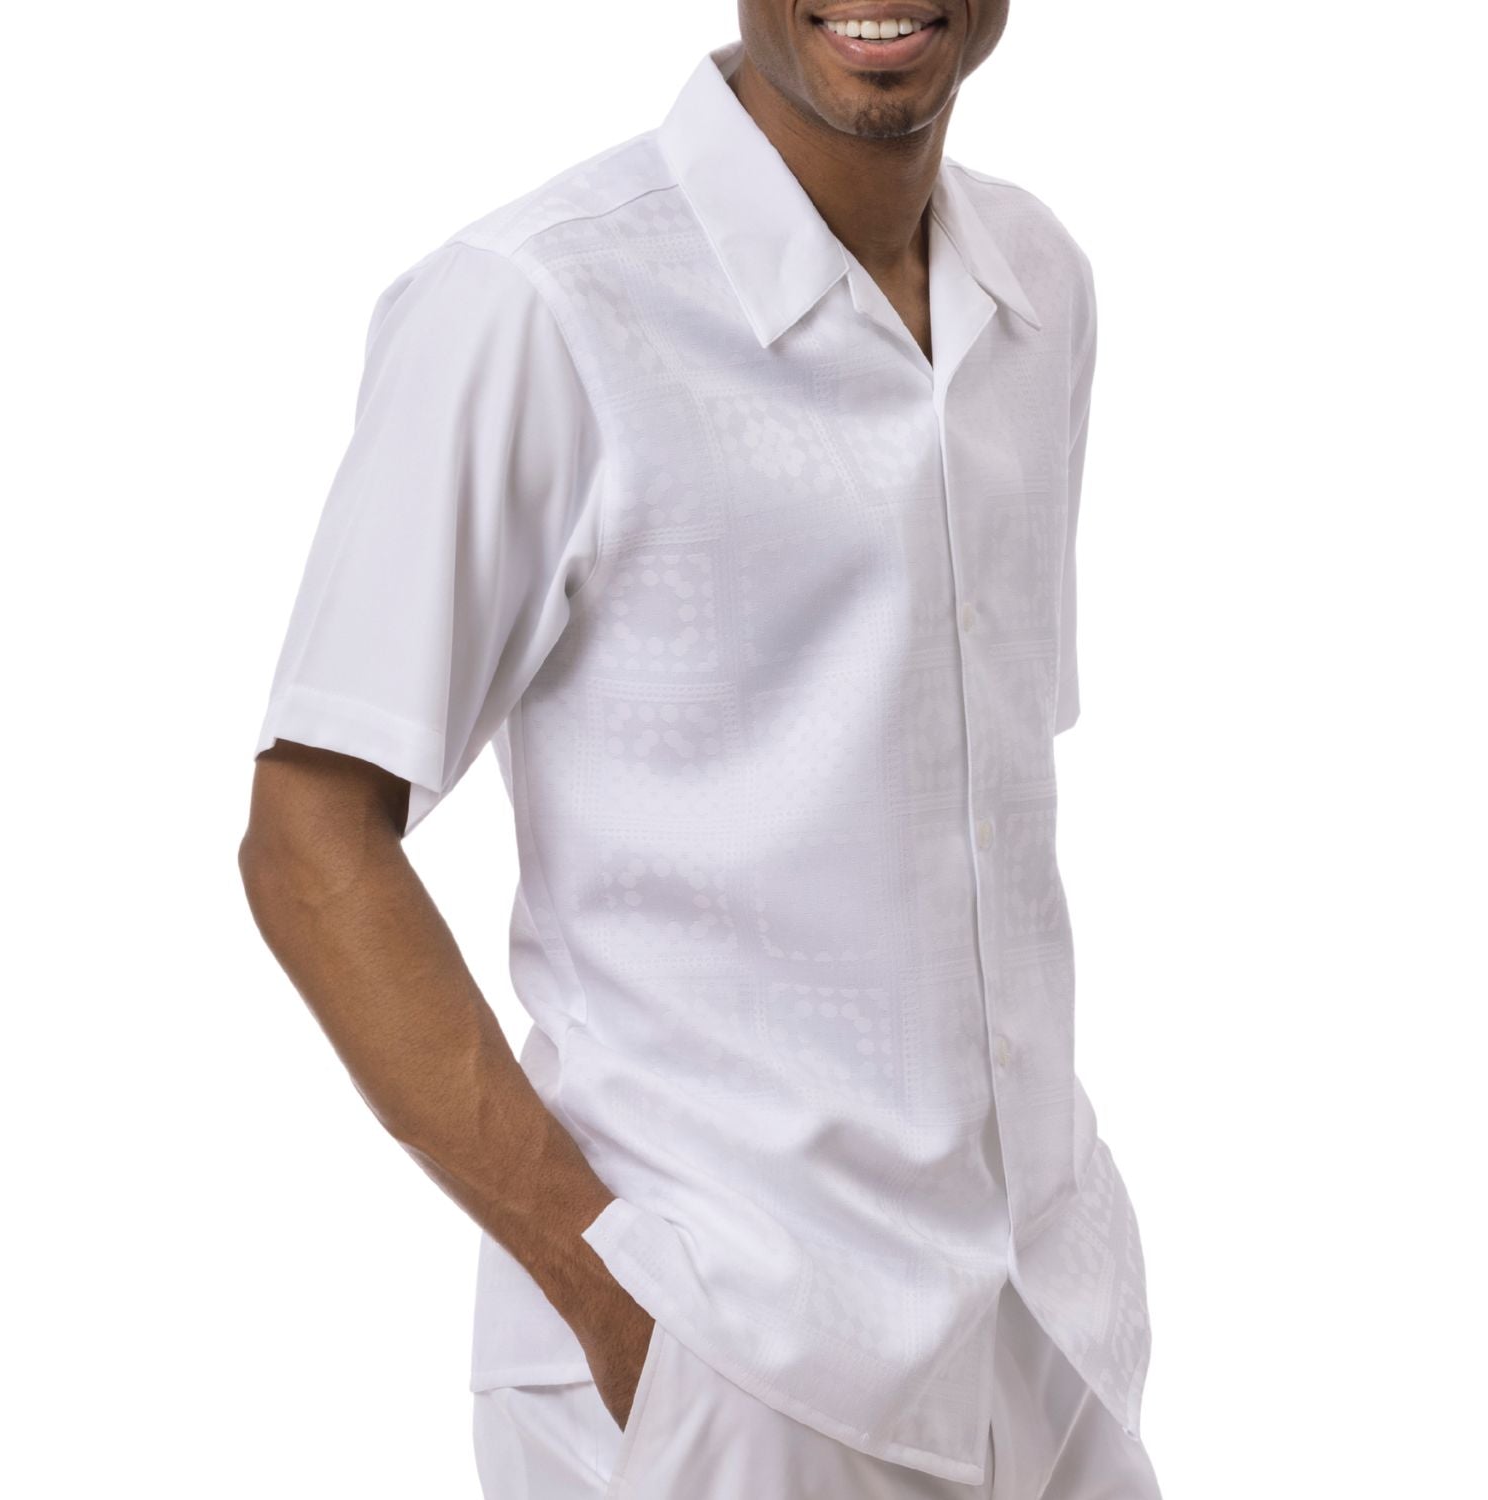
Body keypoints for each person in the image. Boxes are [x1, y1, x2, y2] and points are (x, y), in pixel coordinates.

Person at [239, 4, 1163, 1496]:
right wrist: (613, 1298)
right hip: (730, 1362)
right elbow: (307, 837)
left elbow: (973, 806)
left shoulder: (1039, 288)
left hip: (1047, 1346)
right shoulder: (538, 305)